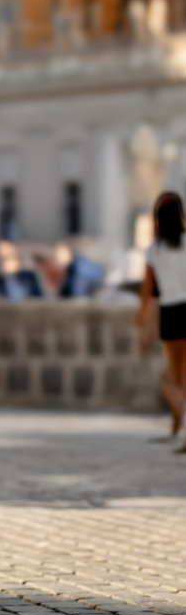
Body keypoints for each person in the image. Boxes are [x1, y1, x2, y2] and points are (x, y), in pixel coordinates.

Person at [138, 191, 186, 450]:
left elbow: (148, 290)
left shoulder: (154, 250)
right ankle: (178, 431)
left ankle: (181, 426)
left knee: (172, 378)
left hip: (171, 312)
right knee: (183, 376)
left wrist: (142, 318)